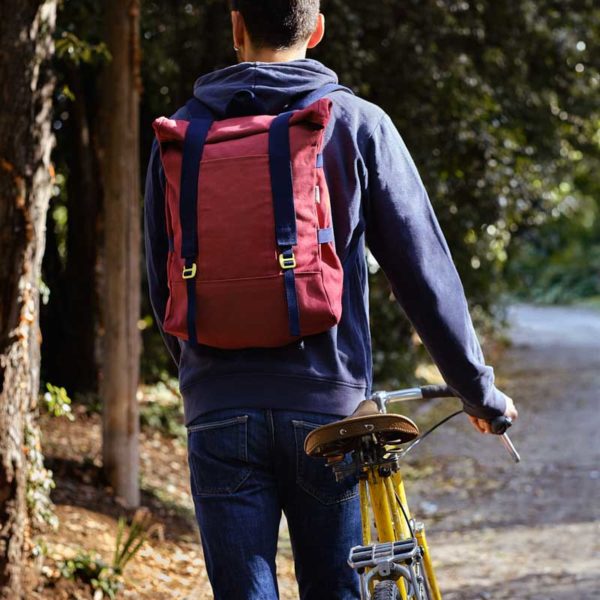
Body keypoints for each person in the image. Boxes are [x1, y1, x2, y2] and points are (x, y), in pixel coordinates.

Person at [144, 1, 519, 598]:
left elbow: (163, 285)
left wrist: (207, 381)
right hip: (329, 409)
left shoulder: (182, 134)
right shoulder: (356, 122)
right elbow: (422, 271)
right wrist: (478, 391)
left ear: (235, 26)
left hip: (218, 408)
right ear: (317, 30)